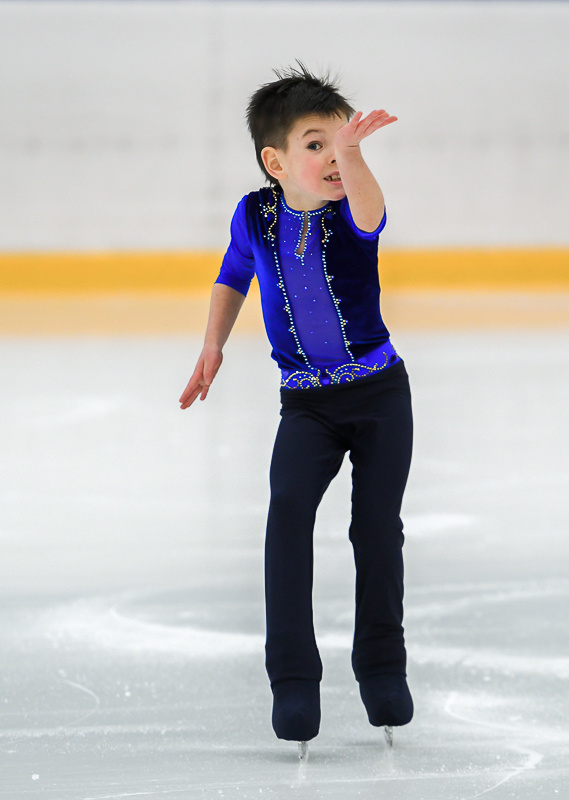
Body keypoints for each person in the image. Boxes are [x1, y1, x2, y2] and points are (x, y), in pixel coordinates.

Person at [179, 64, 414, 746]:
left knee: (376, 530)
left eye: (342, 143)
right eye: (318, 145)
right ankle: (291, 679)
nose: (335, 157)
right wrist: (213, 344)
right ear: (274, 160)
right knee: (286, 523)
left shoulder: (352, 212)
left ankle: (381, 668)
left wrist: (353, 155)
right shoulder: (255, 213)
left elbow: (374, 211)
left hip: (378, 397)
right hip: (305, 406)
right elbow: (232, 272)